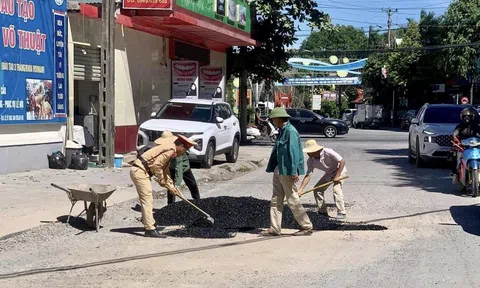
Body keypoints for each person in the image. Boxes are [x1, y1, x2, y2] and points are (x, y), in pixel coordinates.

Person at [130, 131, 196, 238]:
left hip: (141, 171)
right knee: (147, 199)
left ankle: (149, 223)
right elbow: (157, 165)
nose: (184, 153)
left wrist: (171, 186)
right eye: (185, 150)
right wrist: (161, 180)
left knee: (147, 199)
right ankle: (150, 229)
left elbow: (165, 172)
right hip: (140, 171)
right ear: (181, 146)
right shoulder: (171, 150)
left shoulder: (170, 151)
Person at [263, 107, 313, 236]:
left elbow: (294, 152)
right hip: (279, 169)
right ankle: (275, 228)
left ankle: (306, 226)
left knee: (292, 199)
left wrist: (294, 170)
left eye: (274, 119)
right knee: (276, 199)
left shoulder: (290, 131)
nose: (273, 122)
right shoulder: (281, 131)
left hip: (287, 170)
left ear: (279, 119)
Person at [298, 140, 347, 219]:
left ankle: (341, 212)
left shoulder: (328, 152)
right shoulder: (310, 161)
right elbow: (308, 175)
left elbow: (342, 161)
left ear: (315, 150)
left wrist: (337, 176)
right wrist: (300, 189)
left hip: (339, 171)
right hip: (329, 174)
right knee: (317, 190)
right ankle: (322, 211)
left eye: (309, 152)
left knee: (336, 189)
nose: (308, 154)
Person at [155, 131, 200, 205]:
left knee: (192, 185)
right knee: (170, 188)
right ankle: (170, 205)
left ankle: (198, 201)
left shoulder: (178, 150)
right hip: (171, 169)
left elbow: (178, 169)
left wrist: (177, 185)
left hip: (184, 168)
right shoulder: (166, 148)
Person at [451, 108, 480, 183]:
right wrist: (456, 141)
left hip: (475, 146)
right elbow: (455, 134)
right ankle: (455, 174)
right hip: (463, 146)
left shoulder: (476, 126)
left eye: (469, 116)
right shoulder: (459, 126)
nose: (467, 118)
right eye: (465, 116)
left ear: (472, 117)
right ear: (462, 117)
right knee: (453, 155)